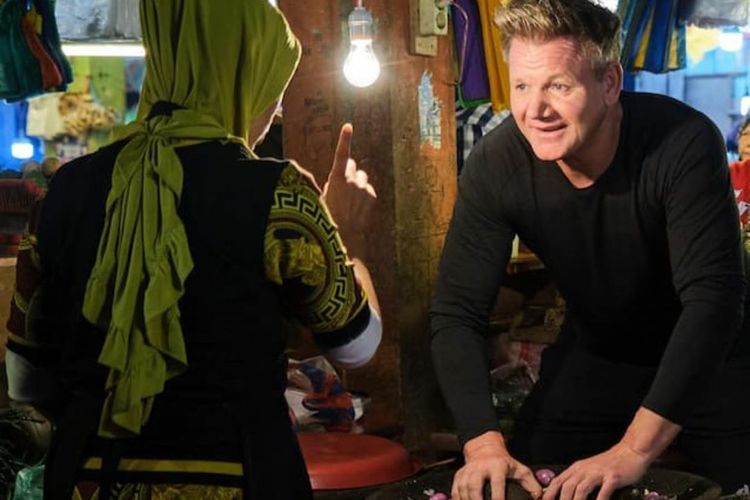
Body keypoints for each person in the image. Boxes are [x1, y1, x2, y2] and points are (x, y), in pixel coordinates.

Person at [3, 1, 381, 499]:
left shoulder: (66, 192)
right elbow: (356, 345)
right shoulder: (278, 194)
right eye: (274, 90)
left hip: (89, 479)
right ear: (242, 74)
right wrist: (344, 237)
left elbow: (26, 382)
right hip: (239, 479)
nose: (276, 109)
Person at [430, 1, 750, 499]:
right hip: (600, 353)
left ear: (609, 84)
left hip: (718, 358)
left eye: (558, 85)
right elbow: (456, 312)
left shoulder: (681, 142)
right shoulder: (497, 165)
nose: (536, 110)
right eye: (522, 87)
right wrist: (482, 443)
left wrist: (635, 452)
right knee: (534, 480)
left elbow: (713, 301)